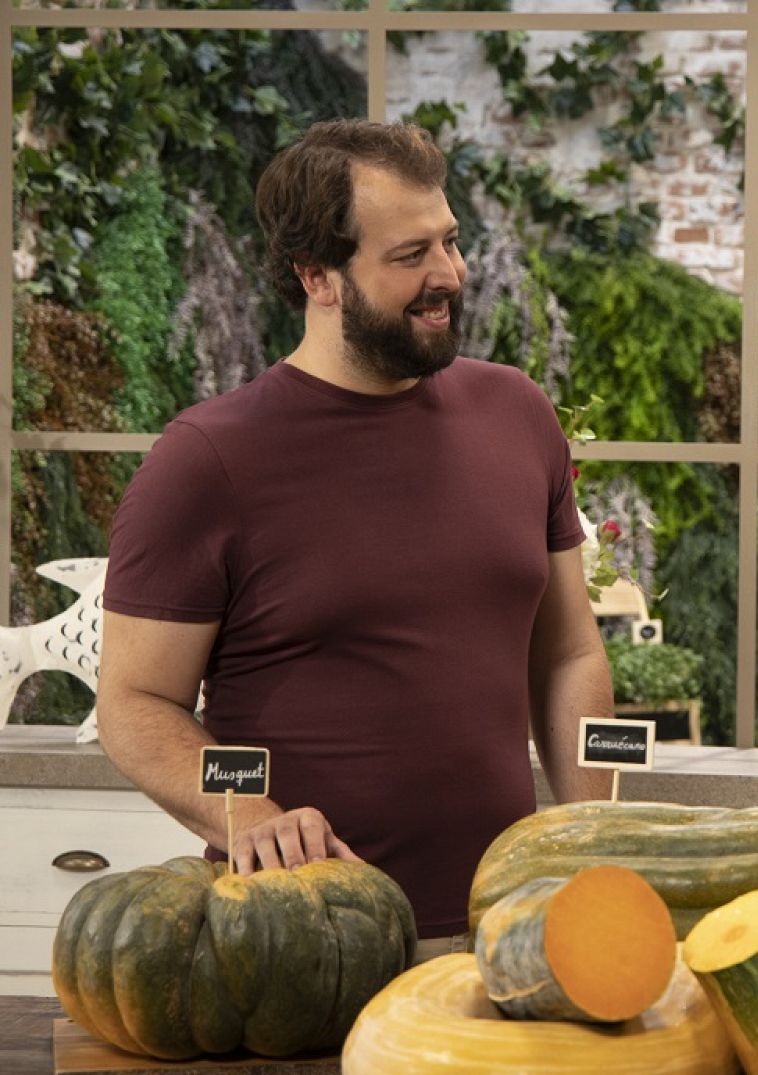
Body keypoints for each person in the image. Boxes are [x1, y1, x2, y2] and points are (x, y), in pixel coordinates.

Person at [97, 120, 612, 956]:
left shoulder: (518, 413)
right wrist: (245, 809)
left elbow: (568, 656)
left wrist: (594, 834)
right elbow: (133, 703)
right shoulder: (208, 460)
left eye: (450, 240)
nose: (449, 275)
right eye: (410, 256)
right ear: (318, 276)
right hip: (303, 943)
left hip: (509, 934)